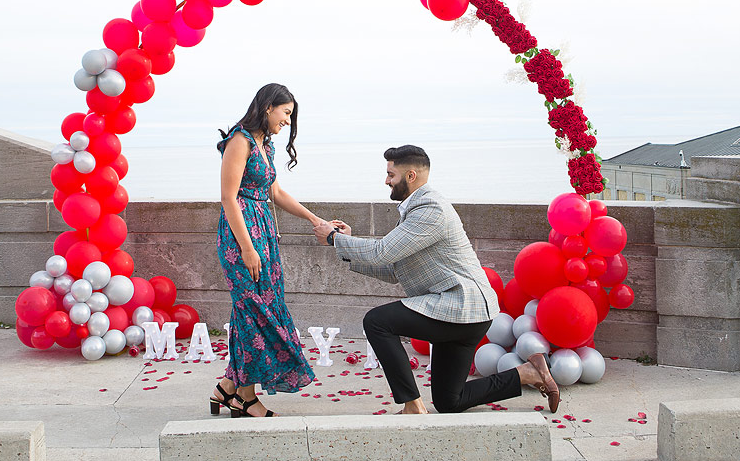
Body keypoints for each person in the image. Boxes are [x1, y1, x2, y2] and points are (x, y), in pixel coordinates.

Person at [313, 145, 560, 415]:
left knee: (377, 322)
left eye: (390, 174)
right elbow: (395, 271)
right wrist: (345, 245)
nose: (386, 181)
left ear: (410, 176)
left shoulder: (429, 208)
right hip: (461, 312)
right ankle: (527, 373)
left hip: (461, 306)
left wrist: (334, 238)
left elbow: (382, 252)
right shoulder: (417, 208)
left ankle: (412, 405)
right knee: (448, 401)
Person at [210, 83, 327, 418]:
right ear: (267, 107)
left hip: (264, 234)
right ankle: (244, 398)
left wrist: (314, 220)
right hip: (241, 235)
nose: (287, 121)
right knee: (251, 310)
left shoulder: (266, 145)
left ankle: (228, 388)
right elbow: (228, 197)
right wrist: (246, 249)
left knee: (260, 307)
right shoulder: (239, 140)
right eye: (286, 113)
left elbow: (276, 192)